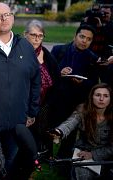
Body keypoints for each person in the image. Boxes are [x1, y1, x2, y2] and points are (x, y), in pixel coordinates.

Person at [0, 3, 41, 180]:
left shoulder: (25, 46)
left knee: (9, 165)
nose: (4, 18)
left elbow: (35, 79)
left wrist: (32, 111)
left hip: (16, 123)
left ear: (13, 17)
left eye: (7, 14)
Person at [50, 25, 100, 163]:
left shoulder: (92, 58)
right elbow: (47, 74)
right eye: (82, 37)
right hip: (55, 98)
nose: (84, 41)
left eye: (89, 39)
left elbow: (94, 83)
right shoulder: (58, 50)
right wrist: (59, 72)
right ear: (75, 36)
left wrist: (82, 82)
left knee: (70, 132)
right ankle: (45, 154)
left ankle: (63, 158)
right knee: (49, 127)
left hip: (77, 101)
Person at [49, 83, 113, 180]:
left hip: (107, 155)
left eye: (106, 96)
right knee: (82, 174)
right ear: (91, 97)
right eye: (98, 95)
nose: (101, 99)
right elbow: (70, 122)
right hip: (83, 152)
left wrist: (93, 154)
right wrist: (59, 131)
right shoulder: (83, 109)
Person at [23, 19, 60, 158]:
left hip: (43, 103)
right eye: (33, 35)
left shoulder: (46, 54)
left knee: (42, 132)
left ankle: (42, 153)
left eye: (40, 35)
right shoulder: (18, 51)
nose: (37, 39)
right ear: (25, 34)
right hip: (22, 103)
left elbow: (55, 78)